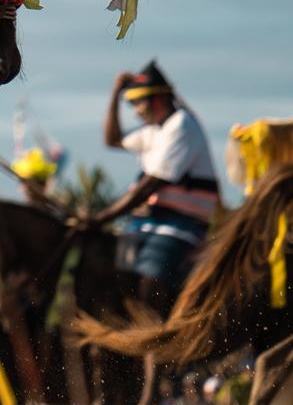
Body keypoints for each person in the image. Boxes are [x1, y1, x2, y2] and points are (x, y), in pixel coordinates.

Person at [86, 60, 218, 306]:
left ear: (158, 100)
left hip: (178, 226)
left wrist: (103, 217)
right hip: (142, 225)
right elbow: (112, 139)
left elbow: (151, 185)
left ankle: (158, 338)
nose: (135, 111)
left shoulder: (182, 126)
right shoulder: (153, 131)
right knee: (116, 279)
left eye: (138, 103)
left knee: (150, 281)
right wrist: (116, 91)